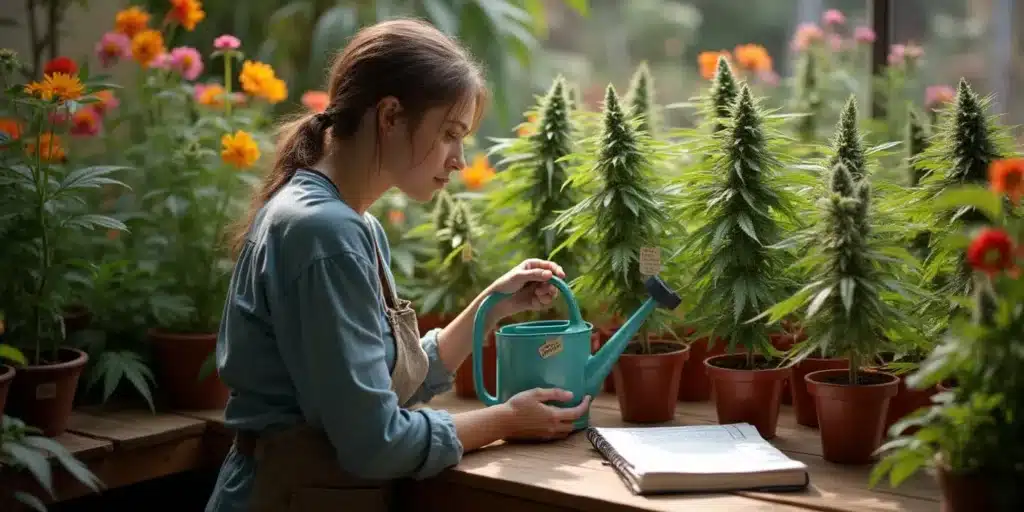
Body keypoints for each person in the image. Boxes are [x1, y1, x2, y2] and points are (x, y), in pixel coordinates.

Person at [204, 18, 593, 512]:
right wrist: (506, 421)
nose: (458, 159)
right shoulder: (326, 233)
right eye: (450, 133)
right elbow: (375, 441)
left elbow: (382, 383)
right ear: (389, 116)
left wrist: (491, 306)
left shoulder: (353, 224)